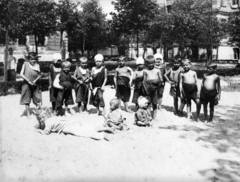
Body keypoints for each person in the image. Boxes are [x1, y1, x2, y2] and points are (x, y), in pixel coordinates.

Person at [34, 107, 114, 141]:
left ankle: (102, 135)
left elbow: (46, 132)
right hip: (72, 121)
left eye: (43, 117)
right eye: (40, 118)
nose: (41, 120)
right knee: (88, 128)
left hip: (68, 126)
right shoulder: (53, 118)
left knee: (83, 133)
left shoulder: (48, 122)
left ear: (47, 116)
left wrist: (38, 131)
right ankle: (104, 128)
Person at [20, 52, 42, 118]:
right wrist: (28, 81)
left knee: (37, 99)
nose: (33, 60)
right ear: (28, 59)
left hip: (35, 84)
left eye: (34, 59)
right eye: (32, 59)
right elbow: (21, 74)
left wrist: (35, 80)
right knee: (27, 99)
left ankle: (37, 111)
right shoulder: (25, 64)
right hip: (27, 84)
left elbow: (40, 75)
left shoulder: (37, 65)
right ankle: (28, 113)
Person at [142, 55, 163, 120]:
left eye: (152, 63)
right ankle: (148, 116)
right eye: (149, 63)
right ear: (146, 64)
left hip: (155, 88)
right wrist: (145, 89)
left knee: (155, 103)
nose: (150, 65)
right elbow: (144, 80)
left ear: (154, 63)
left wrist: (157, 83)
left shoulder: (157, 70)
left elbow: (161, 80)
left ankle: (155, 116)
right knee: (148, 102)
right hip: (148, 88)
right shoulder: (145, 71)